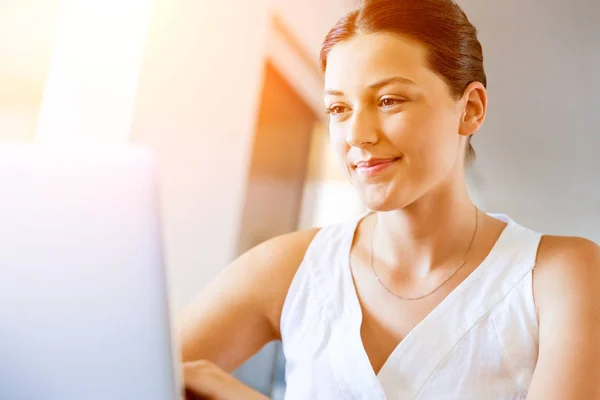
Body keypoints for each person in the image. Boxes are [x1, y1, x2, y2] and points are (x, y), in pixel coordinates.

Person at [179, 0, 600, 398]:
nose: (357, 135)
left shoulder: (559, 276)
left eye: (388, 100)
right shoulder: (290, 270)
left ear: (470, 109)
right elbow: (128, 376)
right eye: (339, 109)